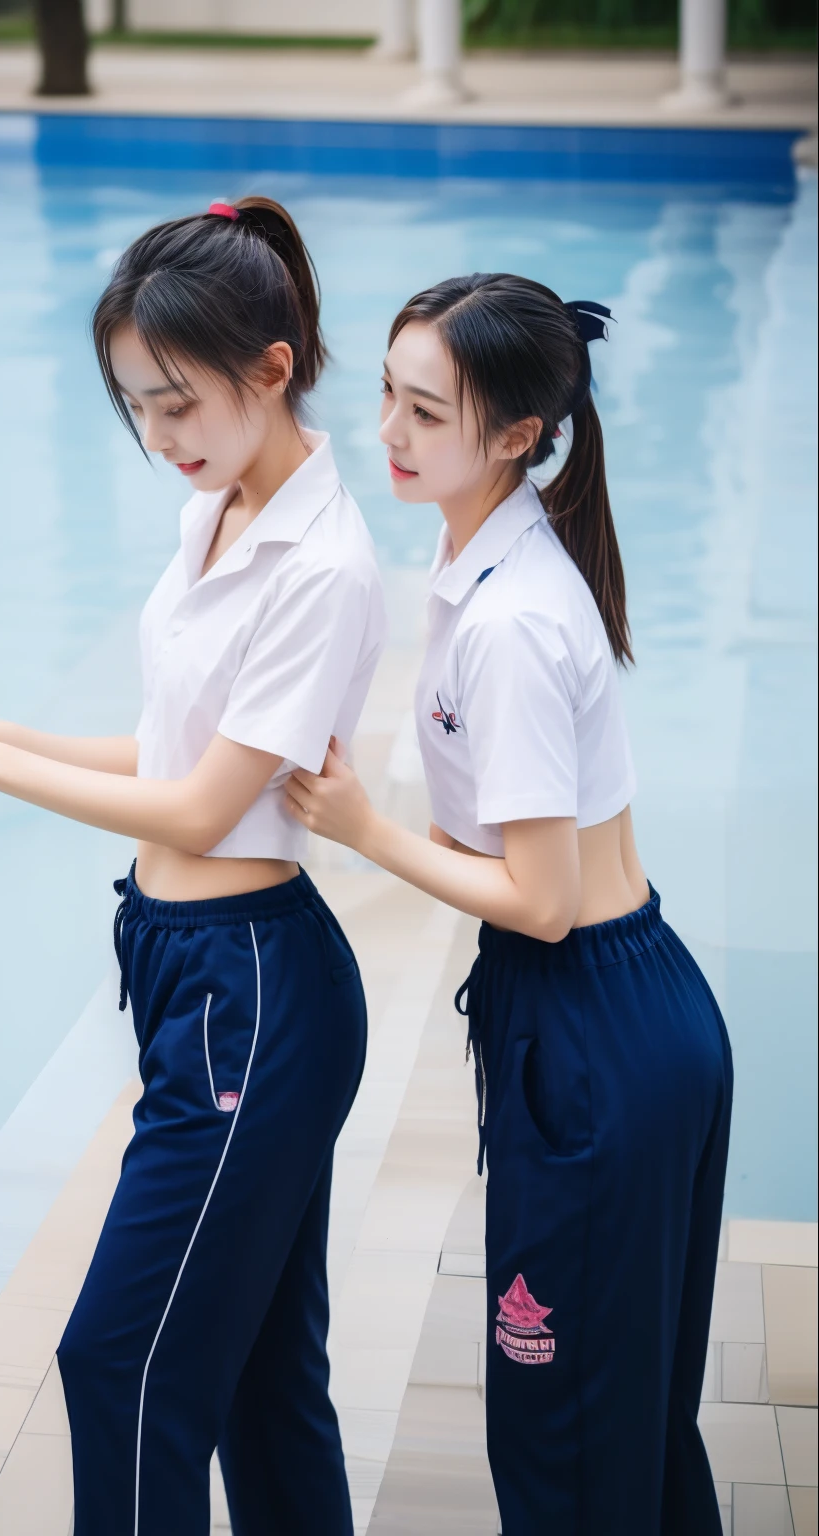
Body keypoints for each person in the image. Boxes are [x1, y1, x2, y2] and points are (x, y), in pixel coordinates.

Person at [0, 196, 386, 1536]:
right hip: (196, 977)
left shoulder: (317, 565)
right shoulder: (222, 512)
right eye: (135, 407)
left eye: (176, 404)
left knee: (123, 1365)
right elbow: (165, 743)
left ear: (271, 370)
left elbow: (204, 810)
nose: (157, 440)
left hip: (251, 994)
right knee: (267, 1381)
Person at [285, 273, 732, 1535]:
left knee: (563, 1445)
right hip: (620, 1015)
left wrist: (364, 829)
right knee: (621, 1427)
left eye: (425, 412)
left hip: (592, 1033)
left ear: (517, 436)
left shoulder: (513, 622)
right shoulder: (494, 554)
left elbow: (537, 902)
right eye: (386, 392)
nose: (386, 430)